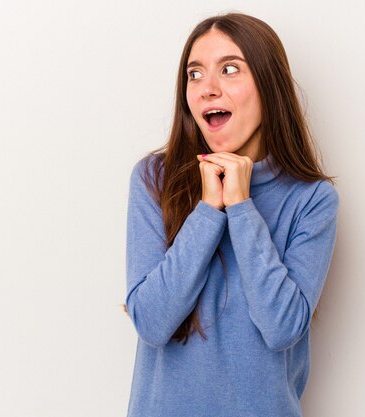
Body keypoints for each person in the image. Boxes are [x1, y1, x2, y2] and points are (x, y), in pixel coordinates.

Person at [123, 12, 339, 417]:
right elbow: (152, 322)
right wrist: (208, 209)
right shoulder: (154, 179)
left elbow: (282, 329)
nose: (208, 88)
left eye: (229, 69)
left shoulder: (312, 200)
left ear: (268, 85)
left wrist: (241, 206)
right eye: (195, 74)